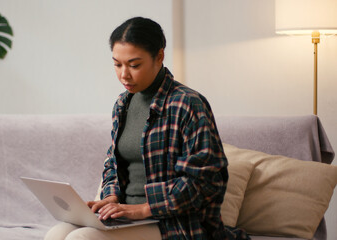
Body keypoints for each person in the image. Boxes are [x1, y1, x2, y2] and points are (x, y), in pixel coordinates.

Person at [44, 16, 250, 240]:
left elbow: (205, 182)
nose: (124, 74)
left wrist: (142, 209)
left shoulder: (188, 104)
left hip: (173, 223)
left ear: (159, 56)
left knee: (80, 238)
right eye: (117, 64)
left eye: (134, 65)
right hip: (124, 218)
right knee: (57, 233)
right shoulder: (123, 104)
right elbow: (113, 163)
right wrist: (111, 198)